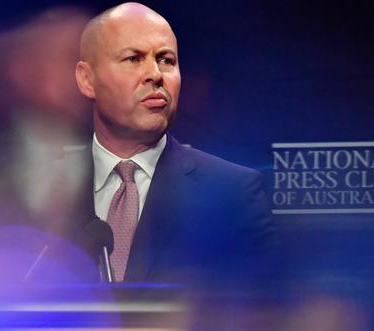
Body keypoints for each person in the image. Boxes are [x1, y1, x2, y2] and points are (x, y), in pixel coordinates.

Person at [72, 2, 281, 286]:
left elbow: (264, 319)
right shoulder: (42, 190)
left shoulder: (233, 195)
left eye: (166, 60)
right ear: (87, 79)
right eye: (134, 58)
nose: (155, 74)